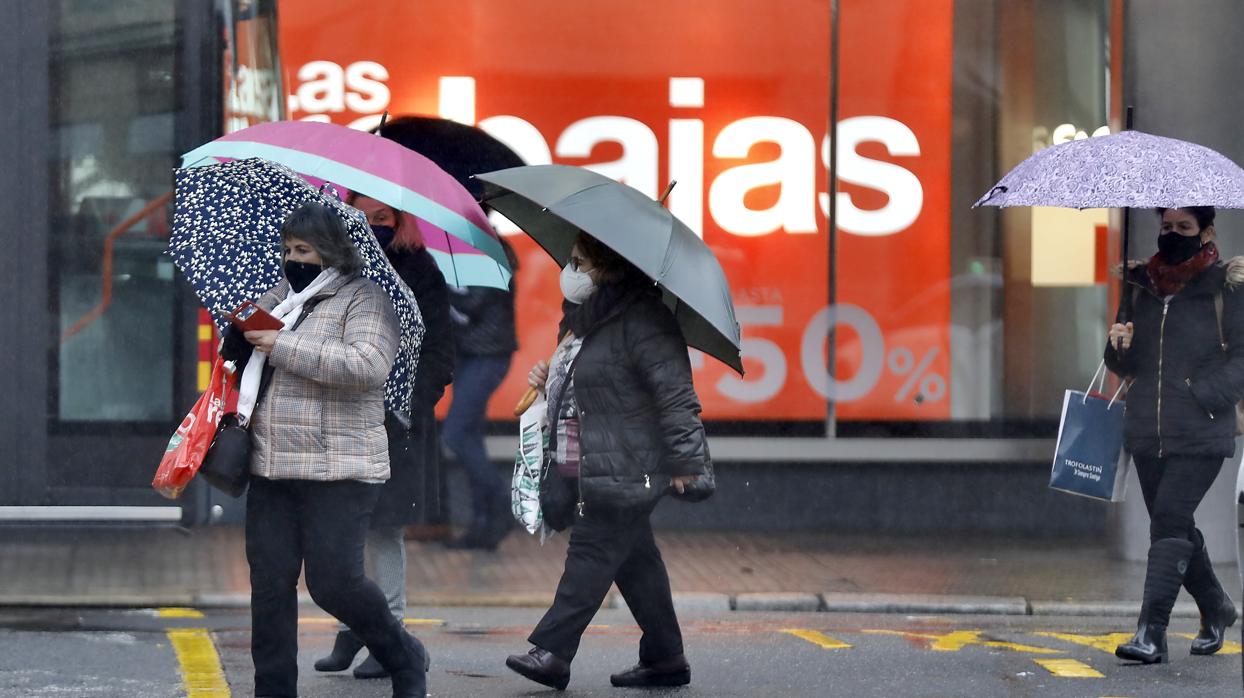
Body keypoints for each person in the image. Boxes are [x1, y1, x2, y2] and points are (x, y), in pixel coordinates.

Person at [222, 202, 429, 698]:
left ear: (332, 251)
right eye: (287, 249)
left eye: (304, 249)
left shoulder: (366, 299)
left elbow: (367, 366)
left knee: (333, 584)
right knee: (270, 588)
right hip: (271, 467)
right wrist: (241, 338)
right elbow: (249, 367)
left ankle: (402, 654)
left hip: (340, 469)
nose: (293, 259)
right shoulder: (279, 299)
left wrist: (280, 344)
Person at [505, 233, 713, 690]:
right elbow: (587, 382)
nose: (570, 272)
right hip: (591, 460)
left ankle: (553, 652)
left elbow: (676, 395)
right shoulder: (586, 319)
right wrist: (549, 377)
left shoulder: (644, 319)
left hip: (629, 462)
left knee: (592, 550)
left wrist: (686, 461)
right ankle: (665, 657)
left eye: (579, 262)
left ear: (608, 267)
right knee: (636, 562)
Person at [314, 195, 455, 679]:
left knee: (385, 526)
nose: (373, 225)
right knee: (344, 525)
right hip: (344, 409)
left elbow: (440, 351)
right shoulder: (338, 267)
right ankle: (353, 626)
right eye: (363, 216)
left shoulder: (420, 270)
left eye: (383, 218)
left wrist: (410, 404)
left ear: (400, 222)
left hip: (398, 419)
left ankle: (389, 631)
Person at [1105, 206, 1242, 664]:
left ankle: (1151, 632)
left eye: (1184, 228)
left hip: (1200, 429)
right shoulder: (1141, 285)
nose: (1173, 235)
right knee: (1174, 524)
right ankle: (1217, 607)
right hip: (1147, 428)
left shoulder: (1227, 286)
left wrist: (1203, 395)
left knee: (1167, 519)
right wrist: (1117, 345)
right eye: (1166, 227)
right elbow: (1125, 366)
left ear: (1207, 232)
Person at [440, 239, 520, 550]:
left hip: (488, 354)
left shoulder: (491, 253)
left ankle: (500, 508)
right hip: (469, 352)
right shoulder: (465, 252)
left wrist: (440, 286)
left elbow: (472, 303)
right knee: (469, 436)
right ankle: (483, 523)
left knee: (456, 434)